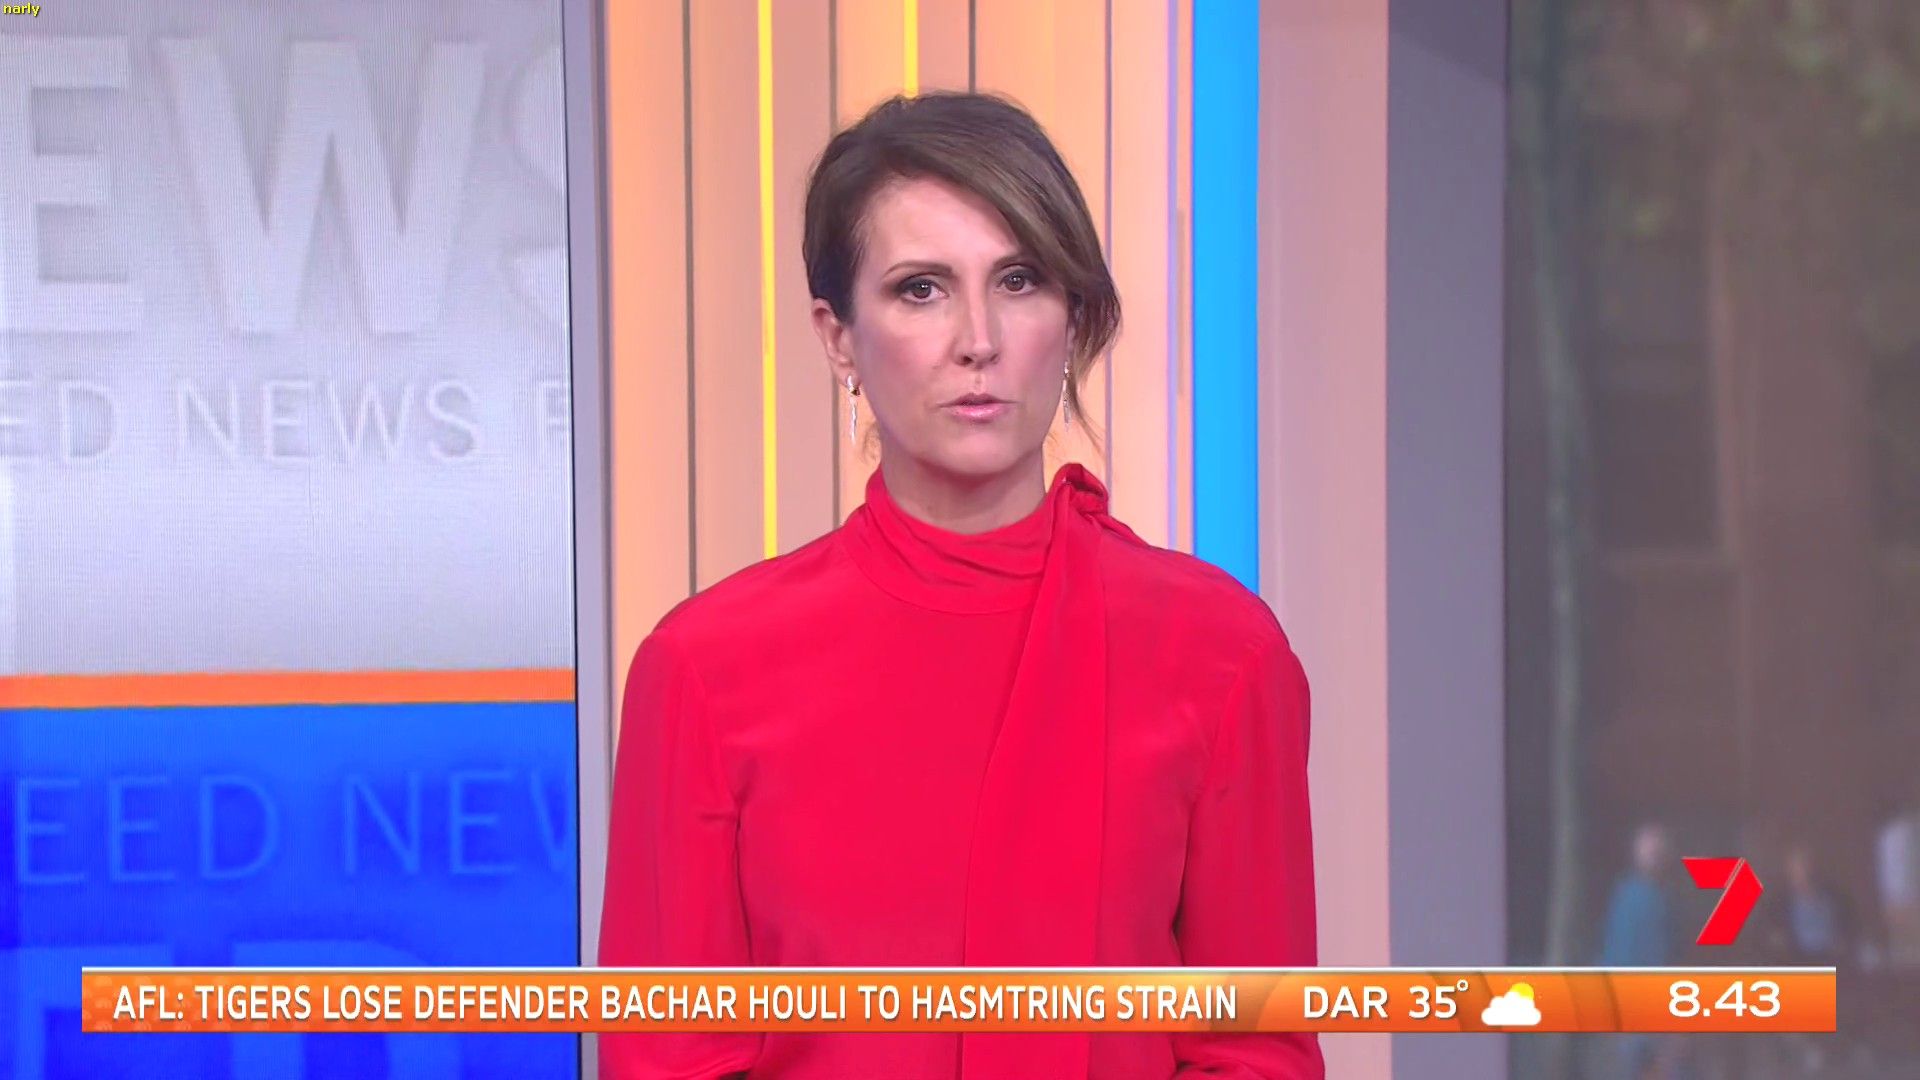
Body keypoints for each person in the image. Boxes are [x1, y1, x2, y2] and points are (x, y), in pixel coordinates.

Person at [598, 92, 1322, 1079]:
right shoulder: (703, 669)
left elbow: (1257, 1050)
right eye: (921, 289)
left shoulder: (1219, 652)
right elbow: (668, 1056)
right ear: (839, 338)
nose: (978, 338)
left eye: (1019, 281)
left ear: (1071, 317)